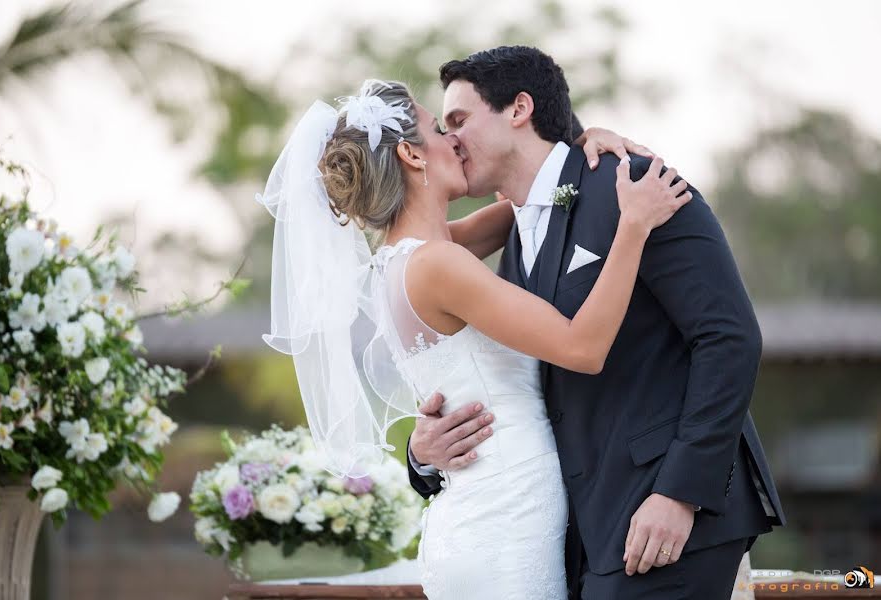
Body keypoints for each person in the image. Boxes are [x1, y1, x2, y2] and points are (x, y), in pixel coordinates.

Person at [258, 75, 688, 598]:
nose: (454, 141)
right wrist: (634, 227)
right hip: (504, 526)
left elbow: (533, 197)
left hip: (477, 520)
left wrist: (575, 145)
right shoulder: (439, 264)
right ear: (413, 158)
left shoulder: (403, 259)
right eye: (438, 129)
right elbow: (582, 347)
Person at [406, 46, 787, 599]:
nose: (451, 139)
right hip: (574, 534)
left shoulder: (636, 186)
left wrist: (680, 494)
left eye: (460, 120)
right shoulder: (511, 231)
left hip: (664, 519)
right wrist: (423, 455)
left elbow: (729, 338)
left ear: (518, 108)